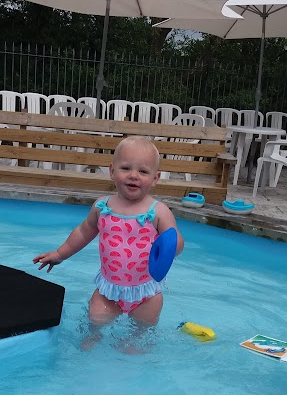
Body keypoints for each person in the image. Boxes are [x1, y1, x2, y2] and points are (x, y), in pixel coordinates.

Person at [33, 136, 184, 346]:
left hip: (146, 293)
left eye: (143, 171)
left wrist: (171, 247)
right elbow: (84, 231)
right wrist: (60, 254)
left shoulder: (158, 212)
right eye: (126, 168)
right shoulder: (102, 207)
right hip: (108, 291)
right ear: (112, 171)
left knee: (140, 336)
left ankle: (133, 345)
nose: (134, 176)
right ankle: (92, 338)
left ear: (155, 178)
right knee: (94, 321)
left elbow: (175, 241)